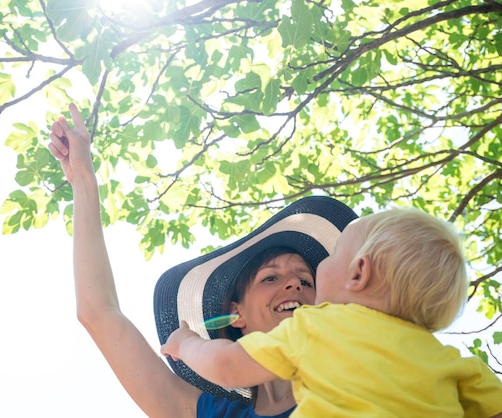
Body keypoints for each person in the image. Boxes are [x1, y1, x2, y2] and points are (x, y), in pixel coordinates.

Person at [48, 103, 359, 417]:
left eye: (306, 281)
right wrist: (83, 182)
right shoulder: (215, 414)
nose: (294, 283)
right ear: (236, 314)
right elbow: (98, 313)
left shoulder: (363, 380)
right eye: (270, 278)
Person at [161, 207, 502, 417]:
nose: (294, 284)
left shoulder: (318, 327)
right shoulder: (455, 364)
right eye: (271, 277)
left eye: (335, 253)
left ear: (358, 274)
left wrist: (186, 343)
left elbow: (226, 365)